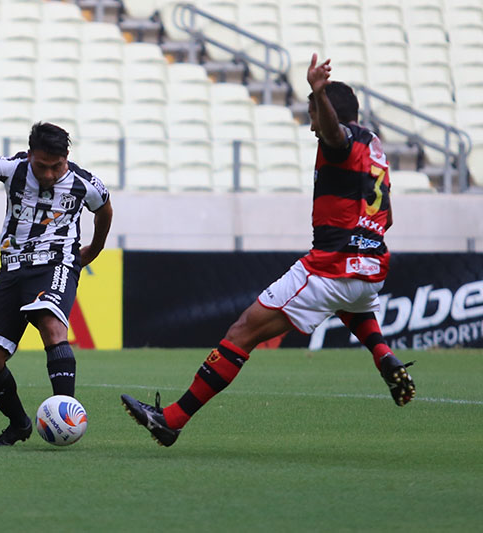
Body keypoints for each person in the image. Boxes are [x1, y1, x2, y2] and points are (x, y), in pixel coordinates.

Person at [121, 54, 416, 447]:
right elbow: (384, 220)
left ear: (325, 110)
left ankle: (171, 420)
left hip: (331, 263)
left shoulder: (340, 141)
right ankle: (383, 355)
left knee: (243, 331)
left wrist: (317, 91)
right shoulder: (375, 150)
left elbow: (333, 134)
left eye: (312, 112)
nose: (311, 121)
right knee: (348, 298)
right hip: (372, 265)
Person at [0, 122, 113, 446]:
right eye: (41, 166)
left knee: (50, 321)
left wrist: (95, 249)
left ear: (66, 158)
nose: (48, 174)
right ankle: (19, 424)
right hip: (13, 267)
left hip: (58, 261)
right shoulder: (14, 168)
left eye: (56, 167)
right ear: (30, 155)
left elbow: (104, 210)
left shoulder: (85, 183)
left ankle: (65, 419)